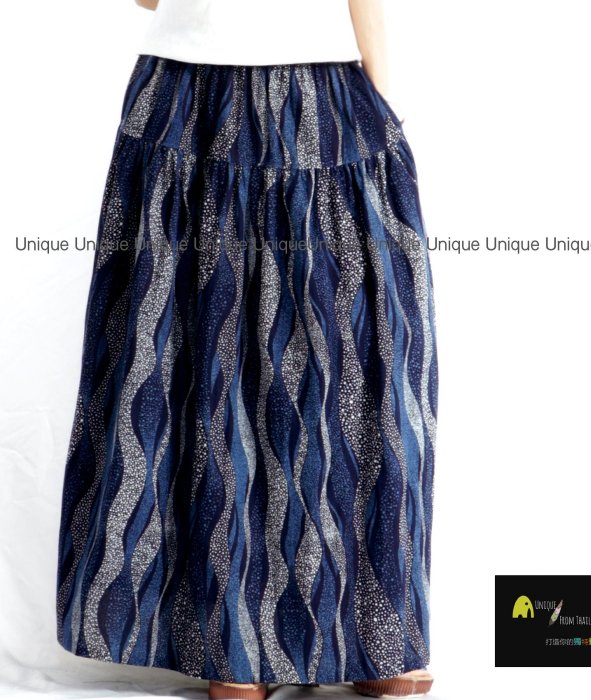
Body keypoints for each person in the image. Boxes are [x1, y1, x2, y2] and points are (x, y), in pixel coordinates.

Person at [55, 2, 439, 699]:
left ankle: (370, 637)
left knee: (349, 365)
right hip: (195, 96)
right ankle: (240, 647)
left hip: (312, 95)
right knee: (215, 365)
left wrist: (384, 109)